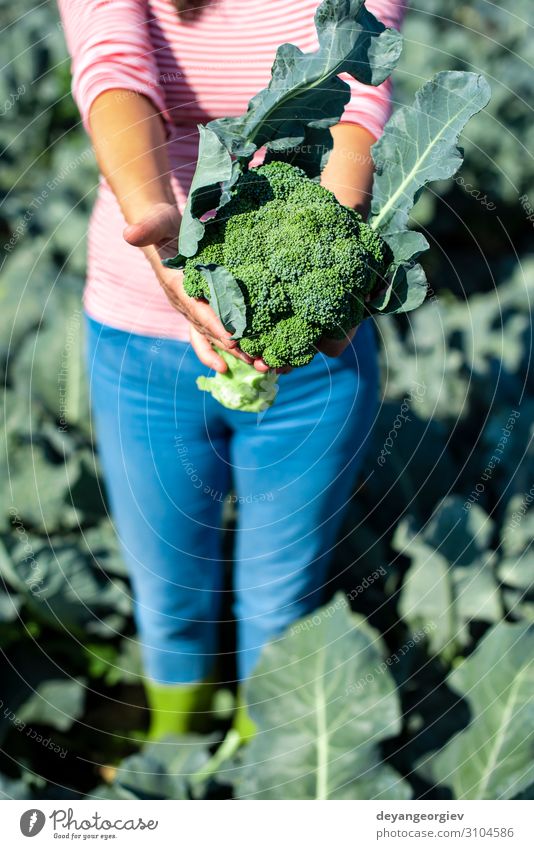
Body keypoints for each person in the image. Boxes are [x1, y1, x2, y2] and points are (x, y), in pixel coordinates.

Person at [58, 0, 404, 741]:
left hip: (313, 367)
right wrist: (158, 226)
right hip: (138, 338)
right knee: (170, 595)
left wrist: (334, 252)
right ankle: (175, 761)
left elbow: (358, 95)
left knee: (281, 604)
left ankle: (265, 774)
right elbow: (112, 68)